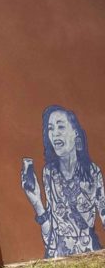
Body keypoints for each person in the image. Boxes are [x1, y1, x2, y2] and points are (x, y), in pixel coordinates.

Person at [22, 105, 105, 258]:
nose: (55, 133)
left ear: (76, 133)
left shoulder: (92, 172)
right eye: (50, 128)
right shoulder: (49, 173)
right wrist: (36, 202)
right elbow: (51, 236)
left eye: (61, 127)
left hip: (90, 253)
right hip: (60, 256)